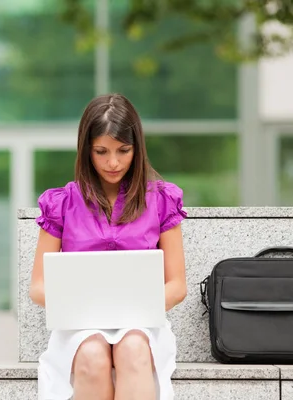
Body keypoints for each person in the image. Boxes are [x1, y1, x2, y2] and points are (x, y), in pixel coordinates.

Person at [29, 93, 187, 400]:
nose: (112, 162)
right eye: (101, 151)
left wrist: (135, 309)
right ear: (86, 151)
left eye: (123, 151)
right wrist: (82, 309)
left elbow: (177, 284)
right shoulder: (62, 203)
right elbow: (38, 286)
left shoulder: (161, 199)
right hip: (79, 325)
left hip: (142, 324)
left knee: (133, 349)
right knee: (91, 355)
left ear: (137, 149)